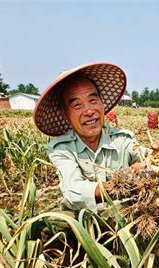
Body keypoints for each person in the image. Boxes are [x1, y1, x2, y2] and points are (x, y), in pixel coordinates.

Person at [33, 62, 147, 211]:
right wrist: (127, 179)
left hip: (128, 214)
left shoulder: (123, 139)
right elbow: (73, 192)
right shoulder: (61, 149)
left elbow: (148, 158)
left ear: (102, 103)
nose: (89, 111)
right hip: (83, 220)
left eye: (93, 100)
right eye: (77, 105)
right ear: (65, 115)